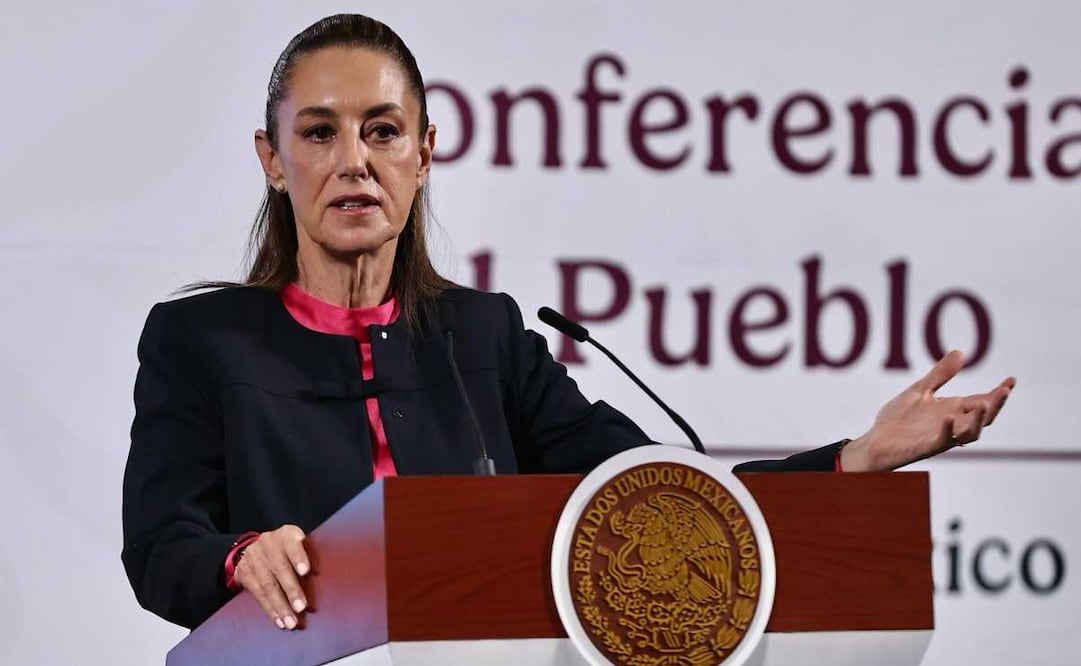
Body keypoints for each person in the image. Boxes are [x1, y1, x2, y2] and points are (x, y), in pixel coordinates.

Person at [121, 14, 1015, 633]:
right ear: (272, 159)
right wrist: (240, 557)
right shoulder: (201, 341)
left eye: (383, 131)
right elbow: (162, 548)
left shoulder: (483, 339)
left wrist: (855, 457)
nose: (353, 159)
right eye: (319, 133)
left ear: (424, 154)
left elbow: (663, 498)